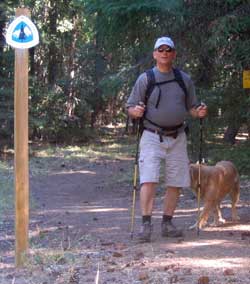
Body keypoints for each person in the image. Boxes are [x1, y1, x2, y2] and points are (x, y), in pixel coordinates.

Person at [126, 36, 207, 242]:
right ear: (154, 54)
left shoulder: (183, 79)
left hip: (178, 136)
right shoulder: (146, 79)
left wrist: (198, 113)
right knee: (149, 180)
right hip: (151, 135)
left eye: (168, 50)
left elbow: (191, 107)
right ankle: (146, 225)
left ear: (174, 54)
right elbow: (130, 107)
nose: (164, 53)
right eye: (160, 50)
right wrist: (135, 111)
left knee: (176, 182)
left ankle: (167, 223)